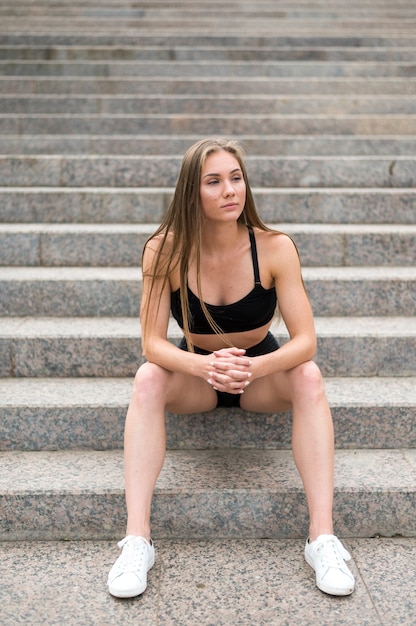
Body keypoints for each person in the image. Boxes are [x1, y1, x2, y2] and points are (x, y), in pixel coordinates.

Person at [107, 137, 355, 599]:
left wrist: (254, 370)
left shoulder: (276, 248)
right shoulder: (163, 250)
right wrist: (204, 370)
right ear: (190, 192)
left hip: (260, 376)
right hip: (195, 376)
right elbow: (151, 344)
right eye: (214, 181)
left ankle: (322, 538)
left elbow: (306, 341)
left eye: (236, 178)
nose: (230, 190)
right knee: (145, 381)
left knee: (310, 375)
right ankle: (137, 541)